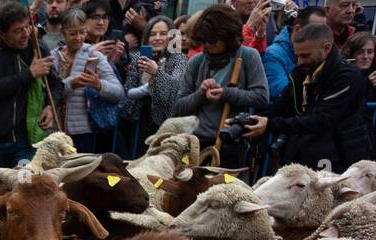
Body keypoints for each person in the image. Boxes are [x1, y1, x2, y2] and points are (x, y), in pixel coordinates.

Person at [244, 21, 371, 168]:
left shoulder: (347, 76)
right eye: (297, 55)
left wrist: (270, 124)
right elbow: (281, 106)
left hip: (338, 158)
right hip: (303, 153)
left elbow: (321, 119)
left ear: (327, 48)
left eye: (305, 55)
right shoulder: (303, 71)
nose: (299, 62)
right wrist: (252, 121)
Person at [173, 3, 268, 168]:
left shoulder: (248, 56)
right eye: (205, 41)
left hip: (229, 143)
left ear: (228, 37)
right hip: (195, 144)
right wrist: (200, 94)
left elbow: (261, 96)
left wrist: (226, 93)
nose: (208, 45)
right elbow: (178, 107)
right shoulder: (197, 61)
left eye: (214, 41)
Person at [0, 1, 62, 165]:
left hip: (26, 140)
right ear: (1, 33)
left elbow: (56, 84)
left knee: (25, 184)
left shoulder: (37, 48)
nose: (25, 34)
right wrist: (30, 73)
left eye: (27, 27)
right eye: (17, 31)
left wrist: (51, 106)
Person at [53, 6, 122, 154]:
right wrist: (72, 83)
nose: (78, 38)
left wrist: (97, 84)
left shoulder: (94, 55)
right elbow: (47, 93)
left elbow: (118, 92)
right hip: (53, 130)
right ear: (63, 33)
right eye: (73, 33)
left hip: (82, 131)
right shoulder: (54, 57)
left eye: (82, 32)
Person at [120, 16, 186, 135]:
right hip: (137, 122)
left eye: (163, 33)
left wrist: (157, 74)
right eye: (153, 34)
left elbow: (175, 92)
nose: (157, 38)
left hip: (165, 124)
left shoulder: (179, 59)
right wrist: (148, 87)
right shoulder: (138, 57)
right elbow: (128, 92)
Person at [264, 4, 327, 97]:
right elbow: (282, 93)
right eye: (315, 32)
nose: (320, 38)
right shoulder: (273, 55)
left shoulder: (323, 51)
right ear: (298, 29)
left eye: (323, 33)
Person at [341, 30, 376, 99]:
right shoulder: (341, 74)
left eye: (370, 52)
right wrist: (367, 84)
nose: (365, 57)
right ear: (350, 53)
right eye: (360, 52)